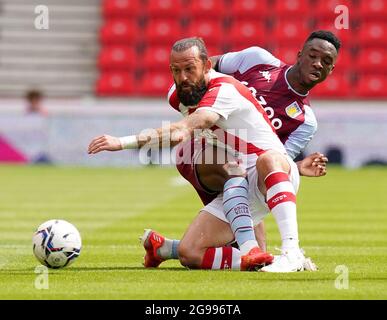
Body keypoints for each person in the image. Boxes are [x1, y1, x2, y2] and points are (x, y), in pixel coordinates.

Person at [89, 37, 312, 272]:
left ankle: (291, 251)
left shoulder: (223, 89)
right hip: (240, 183)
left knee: (265, 158)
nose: (183, 77)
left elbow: (181, 131)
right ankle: (266, 259)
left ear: (207, 66)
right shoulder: (178, 96)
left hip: (270, 171)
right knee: (190, 253)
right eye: (176, 70)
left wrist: (120, 142)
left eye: (190, 69)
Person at [141, 30, 339, 272]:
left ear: (331, 71)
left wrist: (295, 167)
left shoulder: (305, 121)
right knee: (234, 173)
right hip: (204, 148)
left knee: (252, 254)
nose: (318, 64)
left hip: (242, 170)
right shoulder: (258, 60)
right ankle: (291, 251)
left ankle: (166, 248)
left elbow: (273, 165)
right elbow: (205, 65)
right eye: (313, 56)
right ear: (300, 55)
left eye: (327, 62)